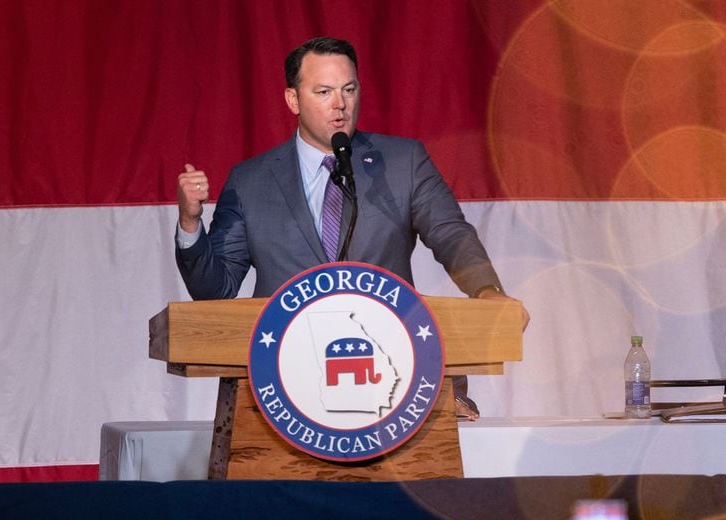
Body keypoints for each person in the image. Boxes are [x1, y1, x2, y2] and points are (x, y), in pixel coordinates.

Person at [175, 37, 529, 419]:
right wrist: (190, 223)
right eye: (323, 91)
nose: (340, 104)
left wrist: (487, 290)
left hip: (394, 375)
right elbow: (216, 289)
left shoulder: (401, 162)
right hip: (283, 383)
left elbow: (451, 234)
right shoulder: (251, 181)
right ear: (293, 100)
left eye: (348, 89)